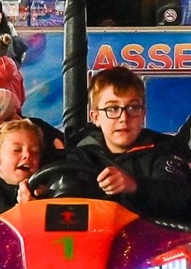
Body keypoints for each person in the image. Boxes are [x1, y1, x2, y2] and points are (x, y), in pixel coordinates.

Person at [67, 66, 191, 221]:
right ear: (96, 117)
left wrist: (134, 186)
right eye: (112, 109)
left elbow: (179, 195)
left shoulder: (166, 149)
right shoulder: (78, 155)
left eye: (133, 107)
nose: (124, 118)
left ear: (143, 113)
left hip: (150, 241)